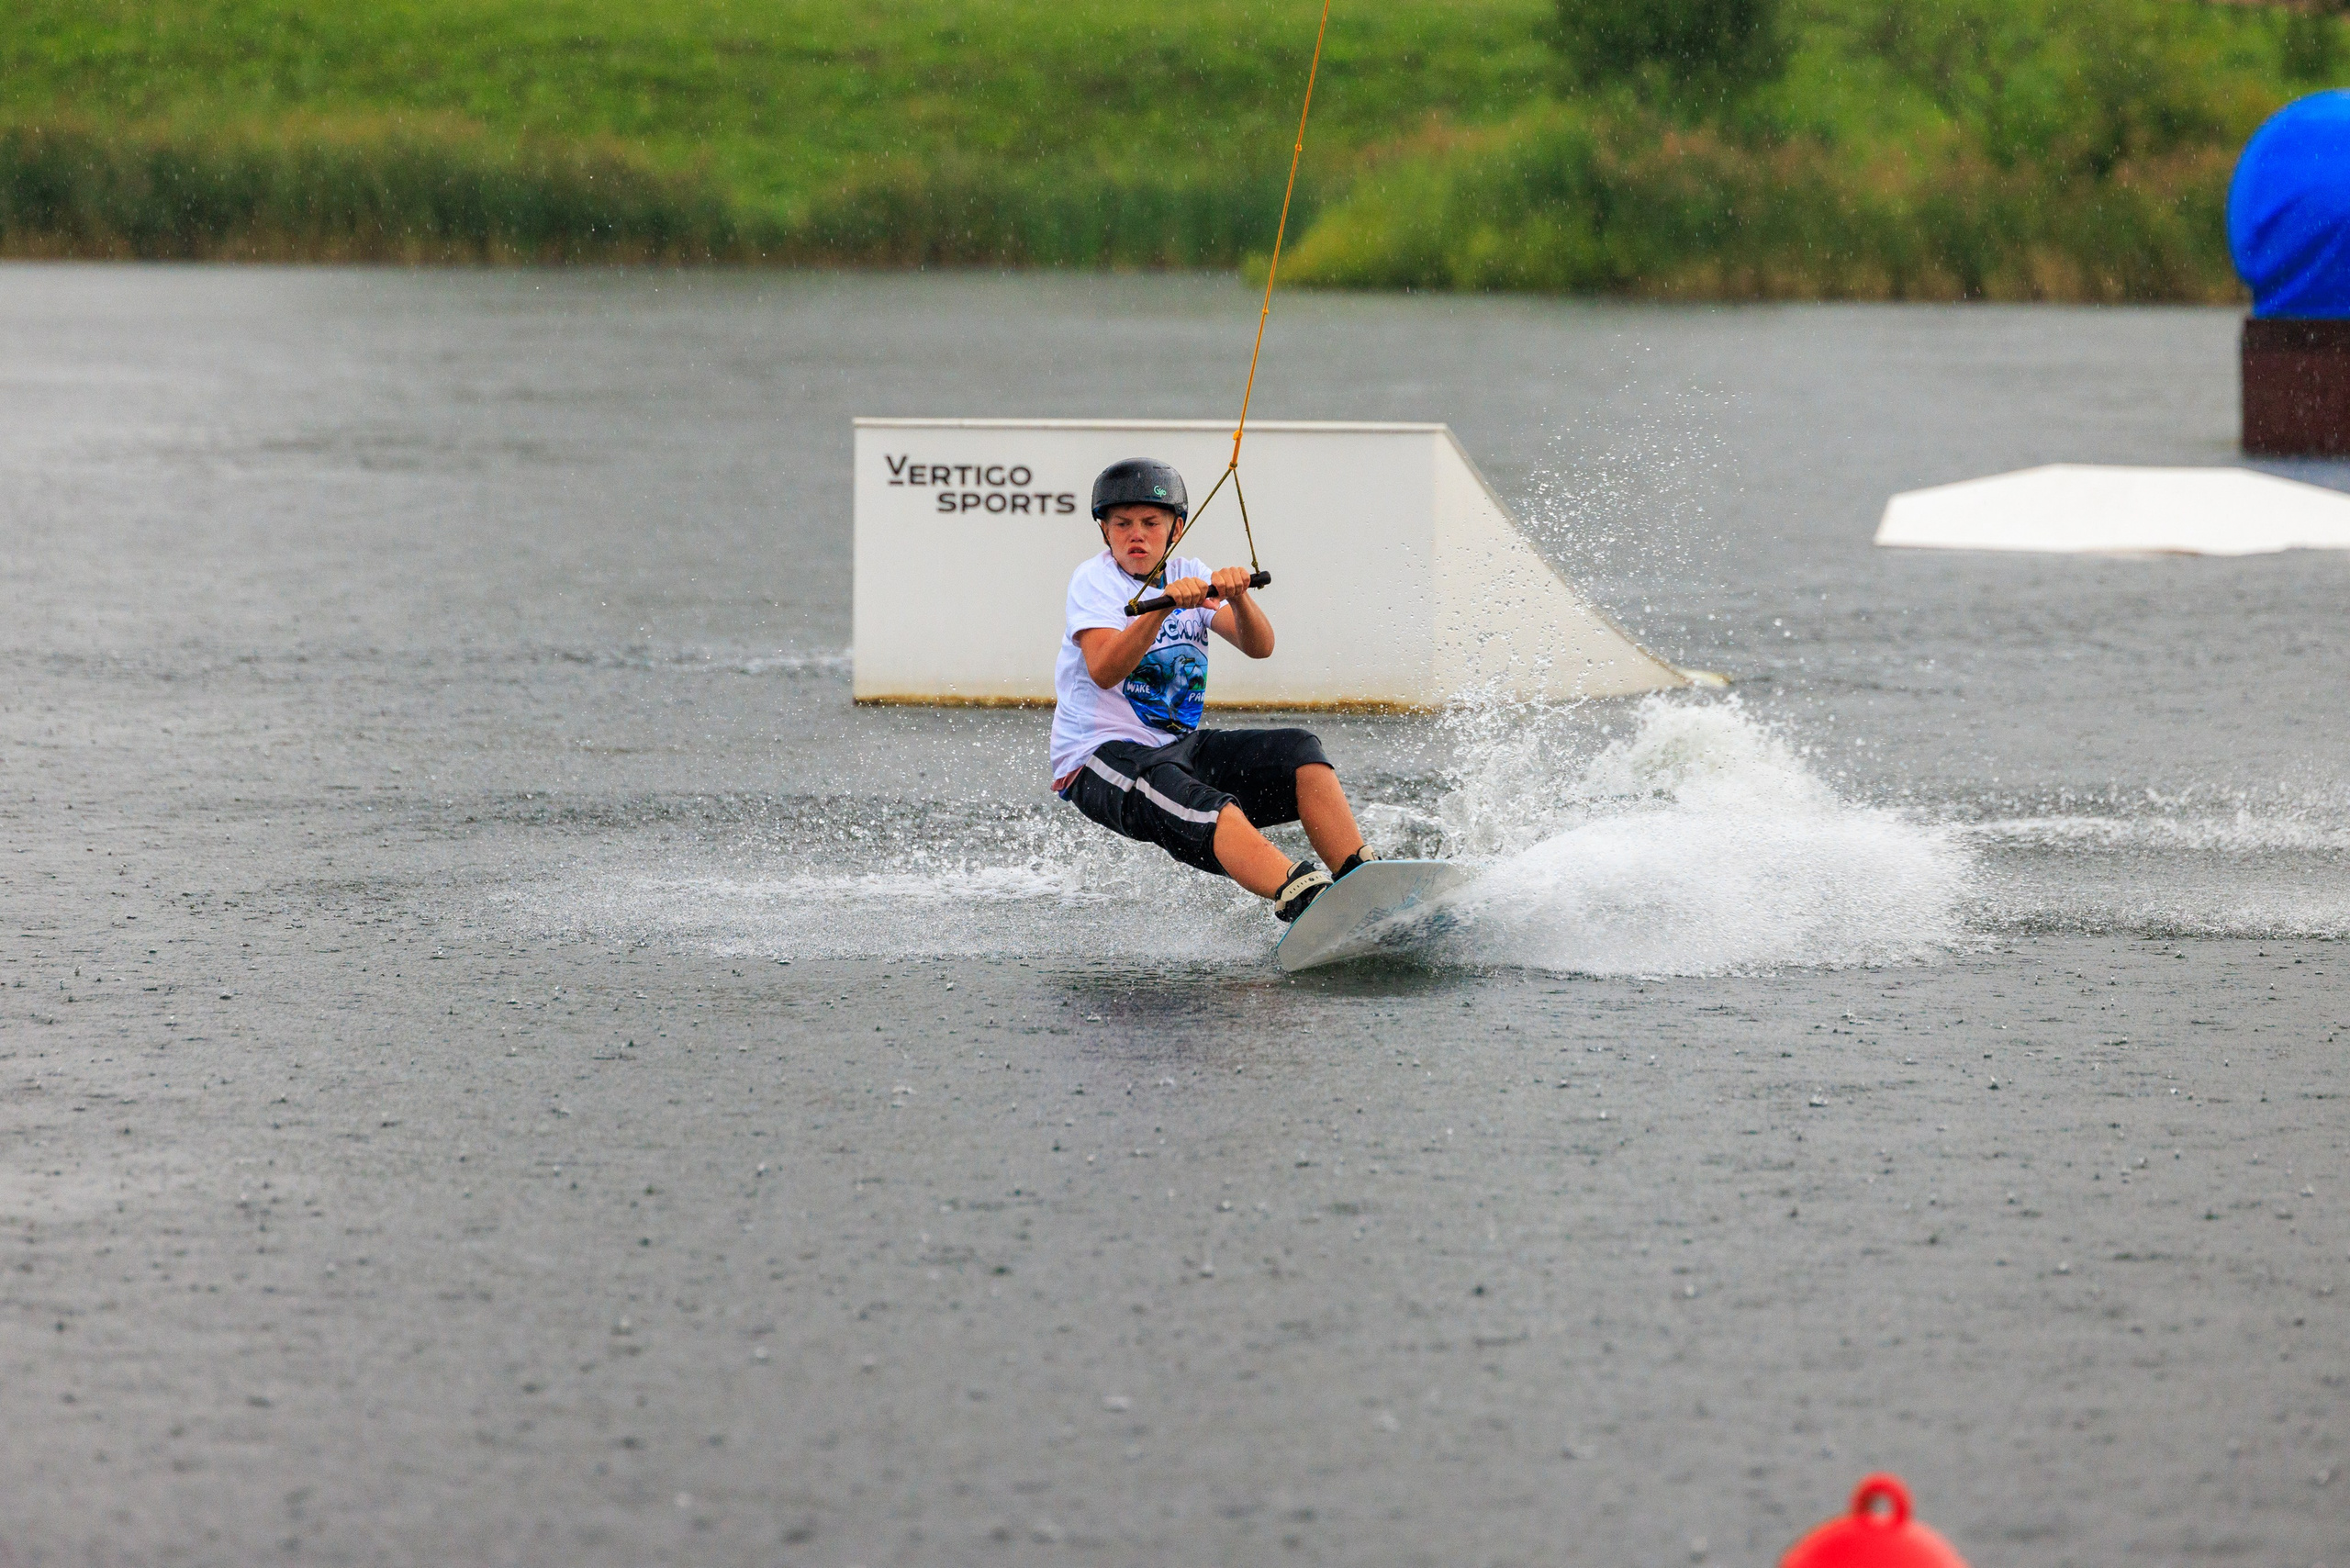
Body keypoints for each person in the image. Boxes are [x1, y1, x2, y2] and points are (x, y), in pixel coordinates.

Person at [1048, 457, 1378, 923]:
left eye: (1150, 523)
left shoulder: (1189, 570)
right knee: (1206, 806)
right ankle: (1303, 898)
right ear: (1105, 530)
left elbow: (1259, 647)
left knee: (1300, 751)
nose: (1136, 535)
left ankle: (1359, 877)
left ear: (1176, 529)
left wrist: (1238, 597)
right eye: (1121, 524)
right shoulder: (1094, 580)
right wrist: (1161, 608)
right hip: (1098, 759)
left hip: (1177, 747)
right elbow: (1104, 670)